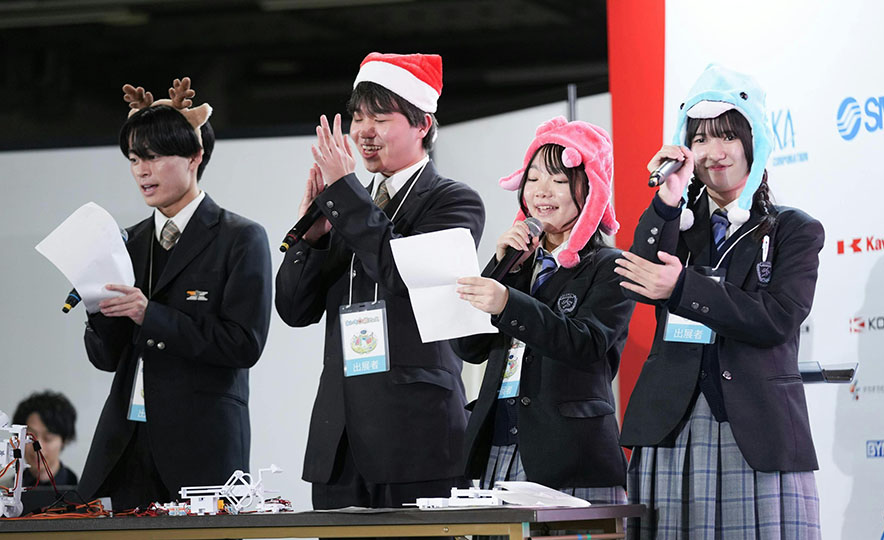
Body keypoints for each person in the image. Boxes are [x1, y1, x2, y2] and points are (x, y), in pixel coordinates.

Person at [616, 64, 824, 538]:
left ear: (754, 141)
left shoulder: (793, 229)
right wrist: (667, 201)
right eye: (701, 139)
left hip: (755, 429)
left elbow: (776, 319)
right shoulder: (676, 221)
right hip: (670, 426)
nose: (714, 152)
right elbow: (633, 280)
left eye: (728, 136)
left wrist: (682, 288)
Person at [275, 52, 485, 509]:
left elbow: (400, 273)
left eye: (380, 118)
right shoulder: (346, 206)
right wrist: (310, 240)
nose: (364, 131)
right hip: (339, 439)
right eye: (357, 118)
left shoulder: (453, 201)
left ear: (422, 125)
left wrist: (344, 193)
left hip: (416, 435)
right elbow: (293, 310)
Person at [78, 78, 272, 511]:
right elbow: (106, 358)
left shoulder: (240, 237)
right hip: (128, 442)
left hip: (202, 446)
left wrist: (151, 315)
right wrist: (94, 305)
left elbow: (244, 344)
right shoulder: (126, 242)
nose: (141, 171)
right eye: (134, 159)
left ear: (195, 156)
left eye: (154, 156)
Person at [454, 117, 633, 503]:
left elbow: (586, 343)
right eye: (533, 178)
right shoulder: (518, 264)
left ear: (590, 187)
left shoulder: (610, 266)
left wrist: (508, 302)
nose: (541, 191)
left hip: (571, 454)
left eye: (558, 180)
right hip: (498, 445)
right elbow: (468, 347)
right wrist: (502, 268)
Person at [6, 391, 79, 487]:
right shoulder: (4, 491)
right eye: (29, 437)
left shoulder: (85, 492)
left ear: (64, 440)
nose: (37, 448)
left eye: (48, 438)